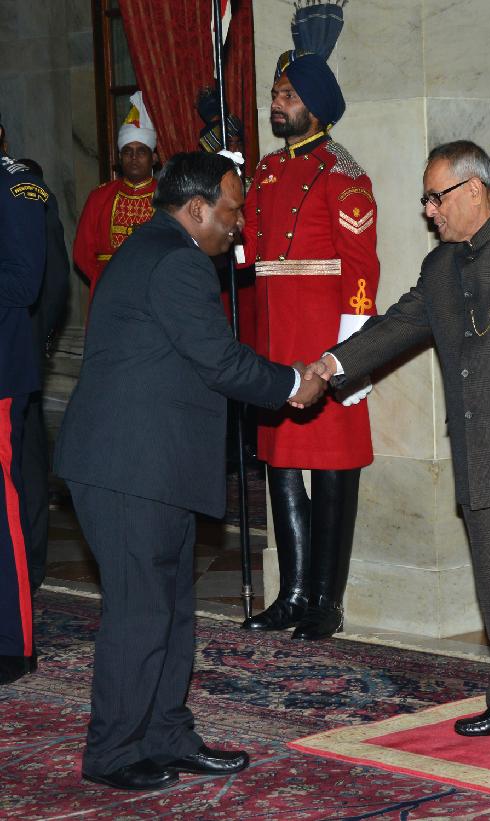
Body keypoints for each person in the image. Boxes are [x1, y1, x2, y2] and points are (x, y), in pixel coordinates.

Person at [307, 140, 490, 756]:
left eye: (434, 198)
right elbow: (398, 324)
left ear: (473, 189)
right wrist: (333, 363)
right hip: (479, 450)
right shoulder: (441, 266)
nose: (428, 211)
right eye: (426, 200)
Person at [54, 152, 325, 792]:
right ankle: (114, 752)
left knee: (171, 609)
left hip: (151, 463)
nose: (239, 225)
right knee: (141, 612)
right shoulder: (176, 261)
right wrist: (292, 383)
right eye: (233, 210)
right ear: (197, 208)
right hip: (129, 465)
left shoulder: (154, 248)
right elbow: (220, 360)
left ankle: (167, 736)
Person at [238, 23, 380, 640]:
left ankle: (326, 599)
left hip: (326, 344)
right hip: (276, 339)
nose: (277, 103)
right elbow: (248, 254)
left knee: (331, 465)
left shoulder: (343, 173)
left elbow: (362, 268)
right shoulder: (265, 171)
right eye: (275, 94)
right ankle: (292, 594)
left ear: (316, 107)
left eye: (288, 95)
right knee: (281, 464)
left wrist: (351, 356)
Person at [0, 140, 48, 685]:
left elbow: (23, 282)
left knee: (3, 510)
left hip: (0, 375)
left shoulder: (15, 188)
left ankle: (13, 643)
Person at [13, 157, 69, 592]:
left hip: (17, 350)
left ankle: (28, 567)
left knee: (24, 461)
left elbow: (52, 279)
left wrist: (35, 341)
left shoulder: (24, 190)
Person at [73, 91, 157, 301]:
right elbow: (82, 253)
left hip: (156, 291)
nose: (134, 157)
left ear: (154, 158)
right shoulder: (100, 197)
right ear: (119, 158)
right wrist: (106, 281)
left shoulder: (169, 196)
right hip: (109, 291)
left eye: (141, 151)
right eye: (127, 152)